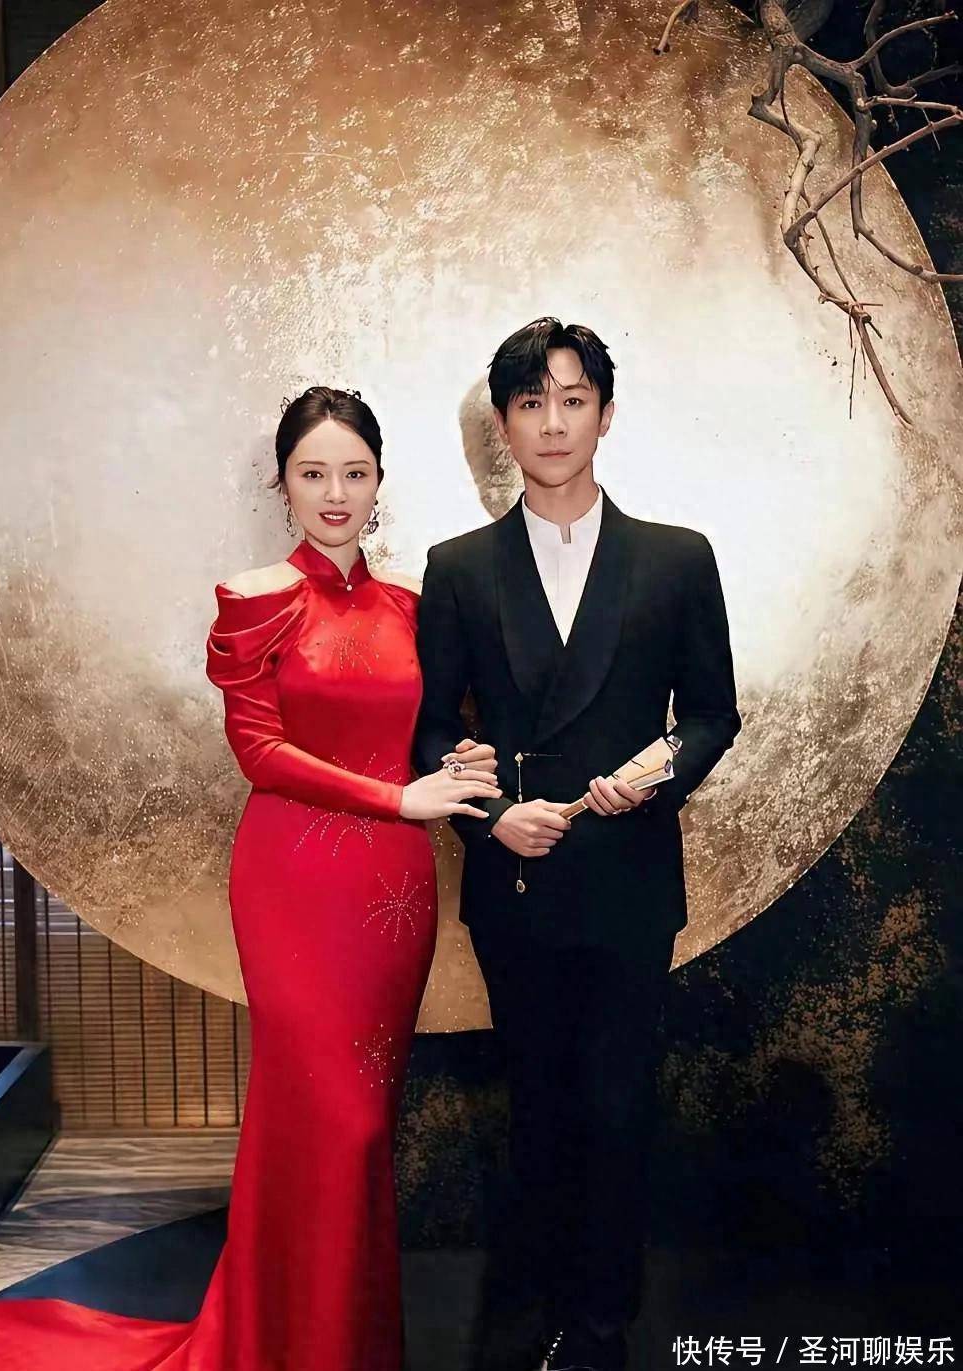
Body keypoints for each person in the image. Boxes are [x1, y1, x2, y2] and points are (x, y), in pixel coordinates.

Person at [0, 385, 501, 1371]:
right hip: (294, 879)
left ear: (380, 480)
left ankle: (341, 1345)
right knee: (326, 1119)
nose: (335, 493)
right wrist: (399, 799)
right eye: (313, 473)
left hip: (392, 892)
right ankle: (283, 1344)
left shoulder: (415, 605)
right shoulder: (256, 596)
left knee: (363, 1128)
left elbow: (429, 731)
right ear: (281, 483)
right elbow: (261, 752)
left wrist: (459, 766)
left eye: (354, 472)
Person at [413, 319, 742, 1371]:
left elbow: (713, 714)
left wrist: (654, 774)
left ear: (605, 413)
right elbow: (430, 731)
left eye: (571, 400)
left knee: (617, 1110)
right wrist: (488, 815)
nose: (552, 423)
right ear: (503, 425)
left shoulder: (677, 558)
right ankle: (527, 1321)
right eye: (530, 403)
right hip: (515, 881)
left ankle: (602, 1328)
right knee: (535, 1110)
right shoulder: (459, 568)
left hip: (628, 878)